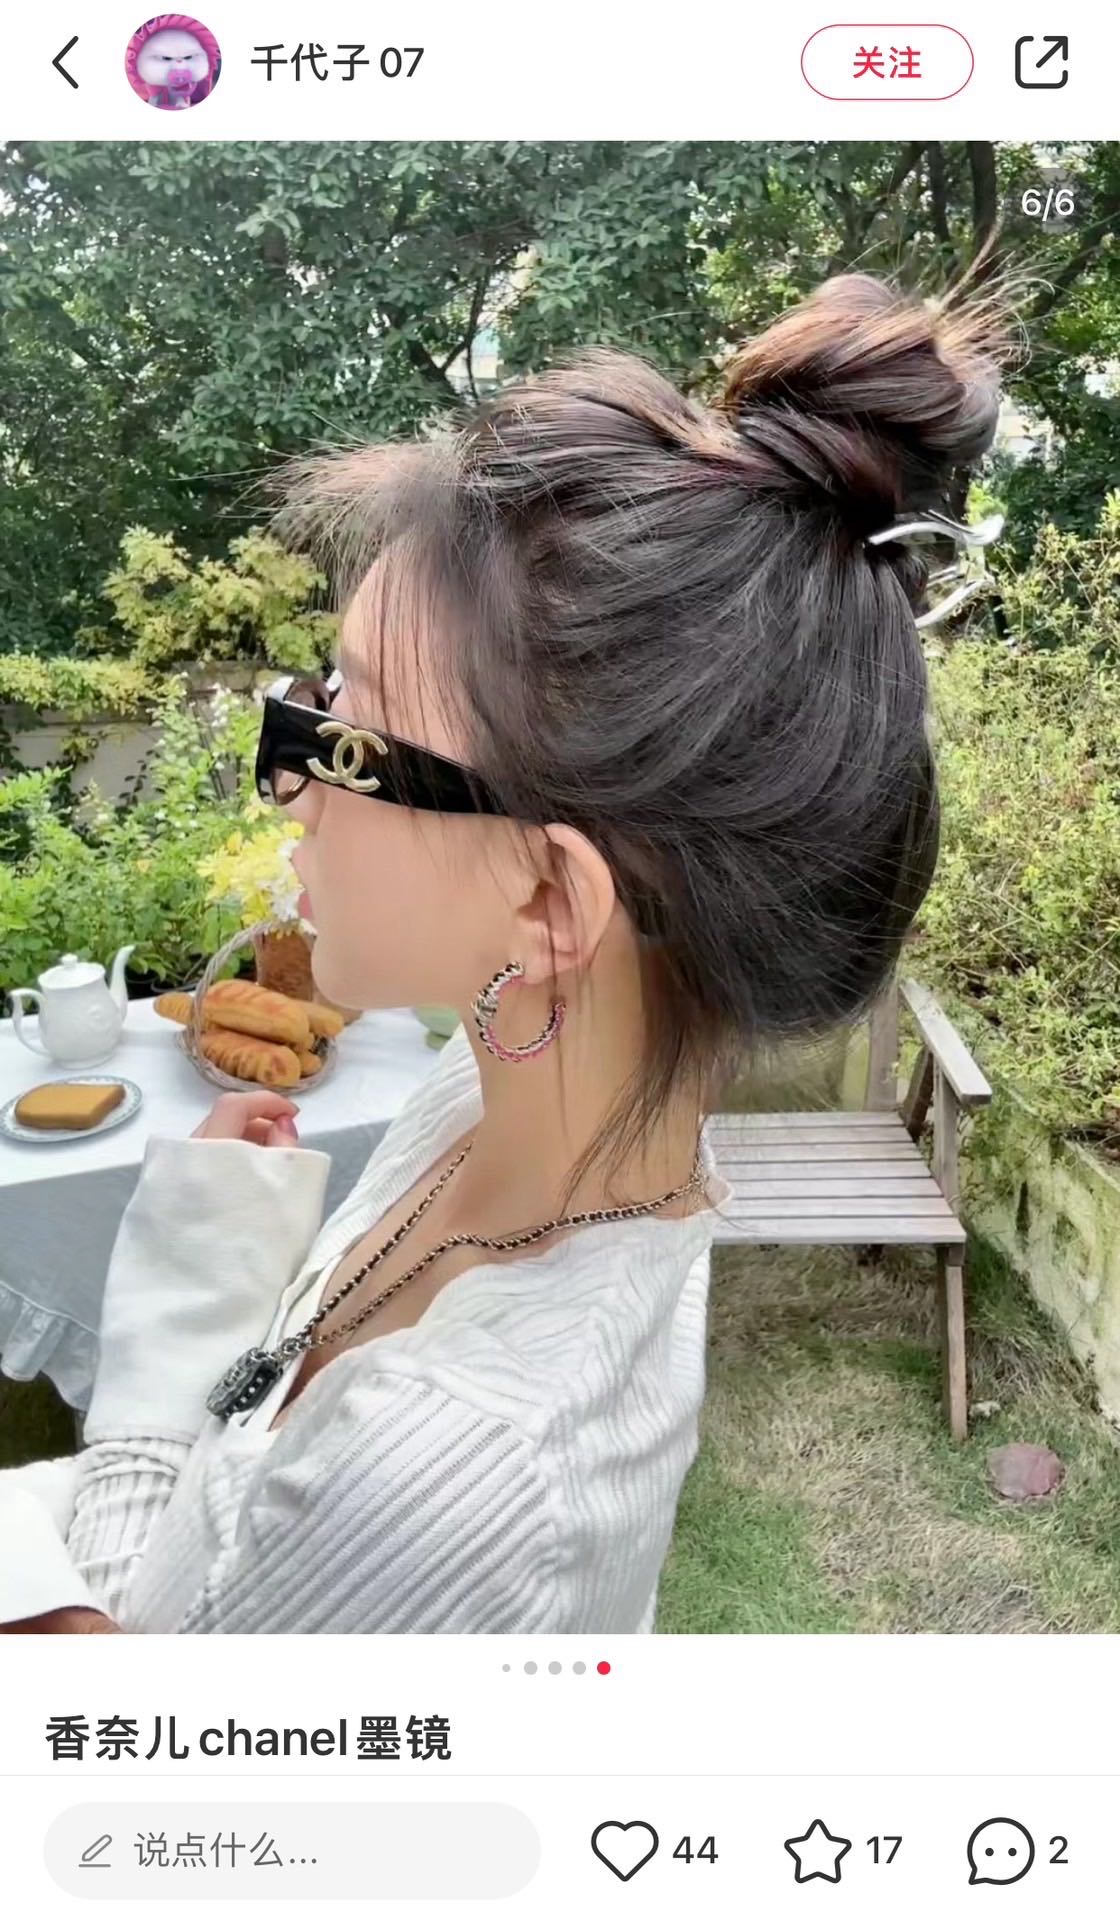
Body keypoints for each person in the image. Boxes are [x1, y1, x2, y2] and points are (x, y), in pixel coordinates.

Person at [0, 271, 1006, 1633]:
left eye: (343, 733)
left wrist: (178, 1305)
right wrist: (242, 1251)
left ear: (547, 902)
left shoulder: (451, 1472)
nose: (285, 782)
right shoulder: (499, 1100)